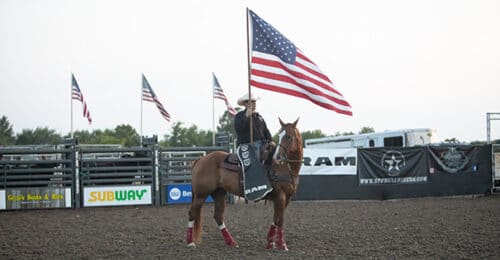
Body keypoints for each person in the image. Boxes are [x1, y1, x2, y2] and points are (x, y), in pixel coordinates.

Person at [234, 93, 274, 165]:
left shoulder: (259, 117)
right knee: (255, 149)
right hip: (247, 144)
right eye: (252, 101)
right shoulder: (239, 116)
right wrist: (246, 116)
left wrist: (271, 140)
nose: (254, 103)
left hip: (262, 143)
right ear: (245, 104)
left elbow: (265, 130)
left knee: (275, 150)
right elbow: (239, 128)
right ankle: (256, 172)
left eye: (254, 101)